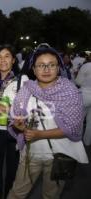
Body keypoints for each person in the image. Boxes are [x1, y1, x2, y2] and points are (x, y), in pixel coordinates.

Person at [7, 46, 89, 199]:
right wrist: (19, 126)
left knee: (51, 196)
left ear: (58, 68)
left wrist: (40, 134)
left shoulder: (70, 91)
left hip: (59, 155)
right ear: (33, 68)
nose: (46, 69)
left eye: (51, 64)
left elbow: (73, 127)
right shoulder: (26, 90)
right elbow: (17, 119)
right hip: (31, 154)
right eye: (41, 65)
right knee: (16, 194)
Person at [0, 44, 28, 199]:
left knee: (12, 169)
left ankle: (9, 195)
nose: (3, 60)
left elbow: (28, 108)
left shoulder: (22, 80)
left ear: (13, 60)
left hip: (14, 131)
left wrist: (8, 110)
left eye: (7, 56)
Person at [75, 53, 91, 146]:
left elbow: (78, 81)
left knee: (80, 120)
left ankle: (78, 142)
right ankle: (87, 142)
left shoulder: (86, 66)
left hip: (85, 95)